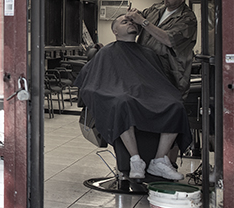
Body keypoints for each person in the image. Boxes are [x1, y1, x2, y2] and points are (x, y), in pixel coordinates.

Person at [74, 15, 192, 181]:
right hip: (122, 97)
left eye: (131, 21)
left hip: (148, 96)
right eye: (124, 22)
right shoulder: (106, 53)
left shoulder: (148, 53)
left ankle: (159, 160)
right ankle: (135, 160)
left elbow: (159, 82)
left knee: (175, 105)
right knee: (122, 102)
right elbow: (89, 83)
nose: (130, 23)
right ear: (115, 31)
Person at [125, 0, 197, 96]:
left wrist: (143, 21)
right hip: (144, 68)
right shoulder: (156, 8)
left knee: (165, 107)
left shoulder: (187, 19)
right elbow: (143, 18)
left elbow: (169, 40)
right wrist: (135, 15)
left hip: (167, 73)